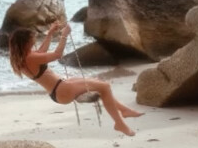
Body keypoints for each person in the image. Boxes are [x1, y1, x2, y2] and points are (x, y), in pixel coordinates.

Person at [9, 22, 143, 136]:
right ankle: (119, 124)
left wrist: (50, 34)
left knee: (100, 84)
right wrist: (64, 35)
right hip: (62, 90)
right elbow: (57, 54)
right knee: (105, 87)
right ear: (25, 43)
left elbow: (41, 52)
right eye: (32, 40)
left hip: (60, 88)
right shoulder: (30, 58)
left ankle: (124, 110)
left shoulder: (24, 57)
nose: (34, 42)